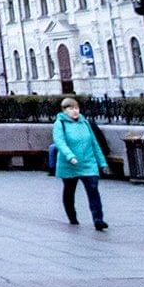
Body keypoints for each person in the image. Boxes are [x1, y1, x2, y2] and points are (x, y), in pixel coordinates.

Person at [52, 96, 108, 229]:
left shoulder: (85, 123)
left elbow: (94, 143)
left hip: (88, 163)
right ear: (64, 110)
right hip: (69, 165)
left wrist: (102, 163)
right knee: (69, 190)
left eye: (76, 108)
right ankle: (72, 217)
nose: (75, 111)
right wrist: (70, 156)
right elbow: (60, 142)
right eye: (71, 108)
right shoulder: (60, 123)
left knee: (93, 190)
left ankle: (98, 219)